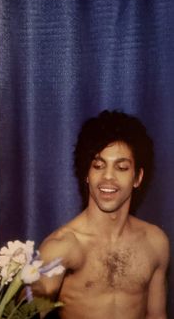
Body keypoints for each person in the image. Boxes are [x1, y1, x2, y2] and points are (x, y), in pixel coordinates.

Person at [34, 110, 170, 319]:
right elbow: (25, 314)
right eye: (98, 166)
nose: (108, 177)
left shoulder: (155, 242)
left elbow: (157, 315)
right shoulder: (61, 248)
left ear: (137, 178)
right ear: (87, 174)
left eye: (122, 167)